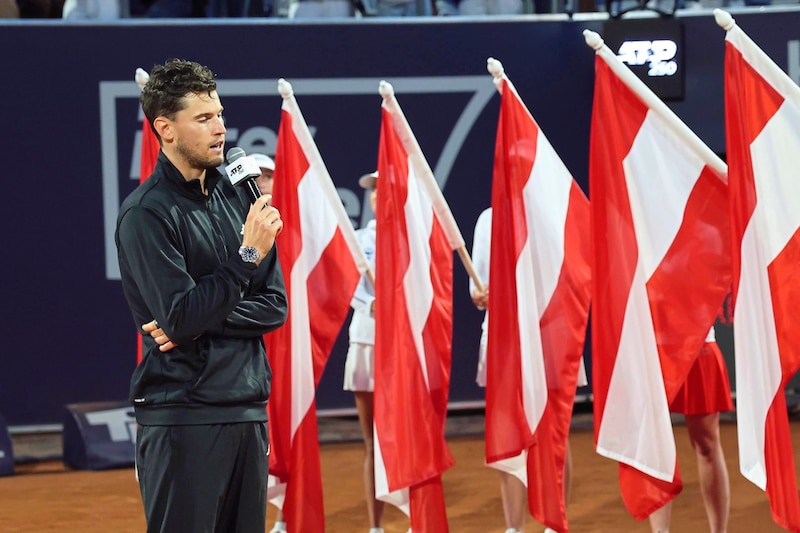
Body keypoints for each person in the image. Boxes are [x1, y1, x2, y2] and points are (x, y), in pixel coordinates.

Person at [115, 58, 288, 533]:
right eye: (204, 118)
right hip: (182, 419)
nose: (221, 129)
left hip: (248, 412)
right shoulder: (146, 214)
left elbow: (274, 305)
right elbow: (183, 314)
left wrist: (194, 317)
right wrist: (245, 257)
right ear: (166, 129)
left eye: (220, 115)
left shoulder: (241, 197)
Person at [470, 206, 585, 533]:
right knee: (507, 432)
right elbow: (477, 284)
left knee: (553, 434)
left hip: (550, 334)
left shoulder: (550, 205)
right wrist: (481, 294)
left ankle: (555, 523)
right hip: (503, 339)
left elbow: (571, 271)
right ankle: (513, 527)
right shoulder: (489, 219)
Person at [648, 326, 732, 533]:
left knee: (707, 444)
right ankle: (660, 531)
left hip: (697, 343)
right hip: (650, 346)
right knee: (655, 445)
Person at [346, 171, 385, 533]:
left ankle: (418, 520)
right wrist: (371, 302)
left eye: (381, 188)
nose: (375, 195)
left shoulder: (413, 239)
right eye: (372, 190)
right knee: (372, 442)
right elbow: (349, 287)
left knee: (404, 436)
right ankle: (376, 527)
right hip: (364, 341)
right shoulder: (357, 240)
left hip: (402, 348)